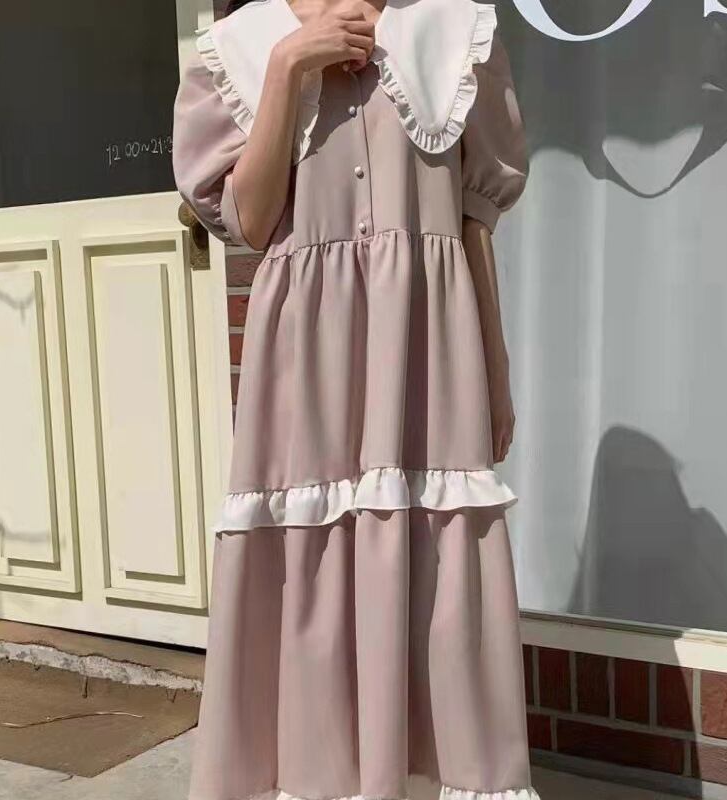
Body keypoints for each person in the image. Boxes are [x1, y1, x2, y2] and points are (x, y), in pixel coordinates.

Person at [172, 1, 537, 799]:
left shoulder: (451, 28)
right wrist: (288, 65)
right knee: (314, 555)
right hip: (307, 359)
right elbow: (250, 221)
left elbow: (474, 221)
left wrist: (496, 367)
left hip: (427, 349)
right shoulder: (240, 46)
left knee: (437, 561)